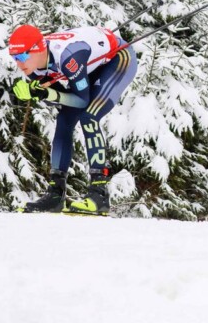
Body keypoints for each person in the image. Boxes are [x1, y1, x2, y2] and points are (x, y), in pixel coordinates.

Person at [9, 24, 138, 215]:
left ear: (38, 49)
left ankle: (99, 195)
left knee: (89, 115)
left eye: (22, 56)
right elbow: (59, 97)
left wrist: (45, 94)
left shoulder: (68, 57)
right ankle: (55, 195)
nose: (19, 63)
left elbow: (81, 100)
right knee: (64, 120)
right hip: (91, 63)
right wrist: (39, 94)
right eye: (14, 57)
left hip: (118, 58)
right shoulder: (34, 65)